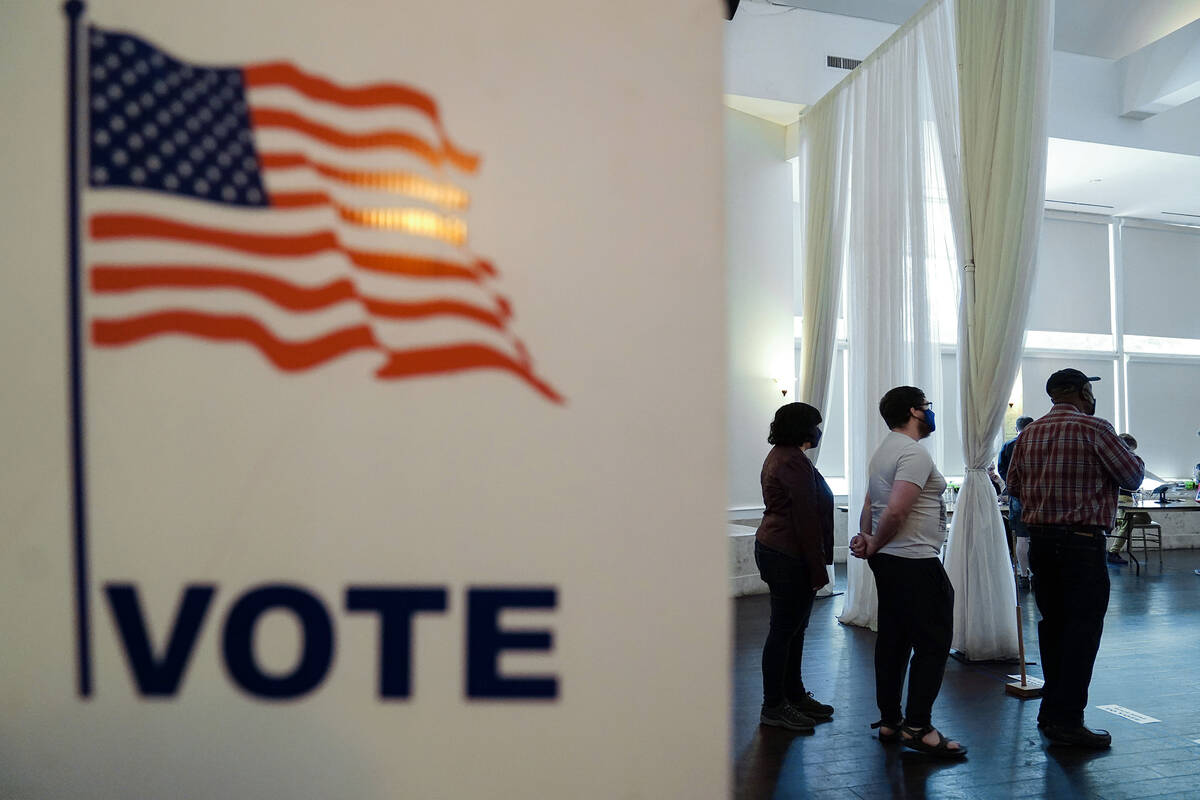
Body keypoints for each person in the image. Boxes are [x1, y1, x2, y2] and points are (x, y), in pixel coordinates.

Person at [1006, 369, 1144, 749]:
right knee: (1082, 632)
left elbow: (1013, 486)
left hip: (1041, 544)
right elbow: (1133, 478)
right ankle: (1068, 721)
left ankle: (1051, 711)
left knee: (1053, 628)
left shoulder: (1028, 434)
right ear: (1084, 392)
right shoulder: (1097, 429)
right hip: (1082, 545)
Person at [849, 386, 966, 759]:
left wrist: (868, 538)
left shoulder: (885, 449)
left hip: (892, 559)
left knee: (894, 640)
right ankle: (918, 728)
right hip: (913, 560)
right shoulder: (913, 452)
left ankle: (890, 721)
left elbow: (871, 503)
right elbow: (896, 510)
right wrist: (874, 543)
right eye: (927, 406)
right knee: (933, 643)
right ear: (915, 411)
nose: (930, 413)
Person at [754, 402, 836, 732]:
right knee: (784, 631)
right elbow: (805, 518)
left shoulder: (787, 456)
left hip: (783, 550)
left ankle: (794, 694)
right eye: (815, 425)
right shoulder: (790, 460)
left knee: (794, 630)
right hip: (787, 553)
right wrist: (818, 569)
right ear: (802, 428)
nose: (818, 431)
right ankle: (774, 705)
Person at [1106, 434, 1160, 564]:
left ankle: (1113, 523)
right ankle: (1113, 551)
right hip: (1123, 498)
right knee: (1129, 522)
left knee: (1144, 519)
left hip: (1126, 498)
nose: (1133, 452)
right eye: (1132, 449)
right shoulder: (1122, 460)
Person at [999, 417, 1035, 588]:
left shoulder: (1009, 445)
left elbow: (1002, 469)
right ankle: (1038, 574)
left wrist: (1012, 487)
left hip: (1018, 498)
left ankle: (1023, 575)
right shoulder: (1038, 442)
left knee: (1021, 538)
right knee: (1039, 538)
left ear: (1016, 428)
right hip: (1039, 496)